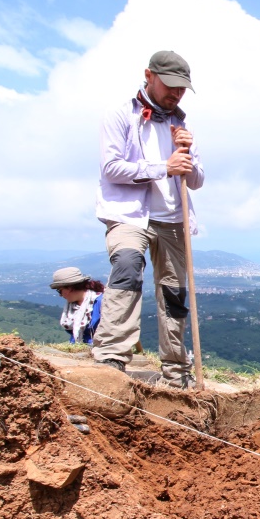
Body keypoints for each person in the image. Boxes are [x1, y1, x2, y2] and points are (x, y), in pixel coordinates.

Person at [90, 50, 204, 389]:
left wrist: (187, 157)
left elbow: (196, 180)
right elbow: (111, 168)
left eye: (182, 88)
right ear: (149, 75)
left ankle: (176, 371)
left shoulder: (181, 125)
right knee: (127, 264)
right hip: (129, 215)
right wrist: (163, 167)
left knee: (174, 294)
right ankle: (112, 356)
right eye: (170, 85)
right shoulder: (120, 116)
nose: (176, 93)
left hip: (173, 219)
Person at [50, 267, 104, 345]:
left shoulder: (101, 302)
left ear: (70, 288)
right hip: (77, 346)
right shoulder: (71, 306)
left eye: (60, 290)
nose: (60, 295)